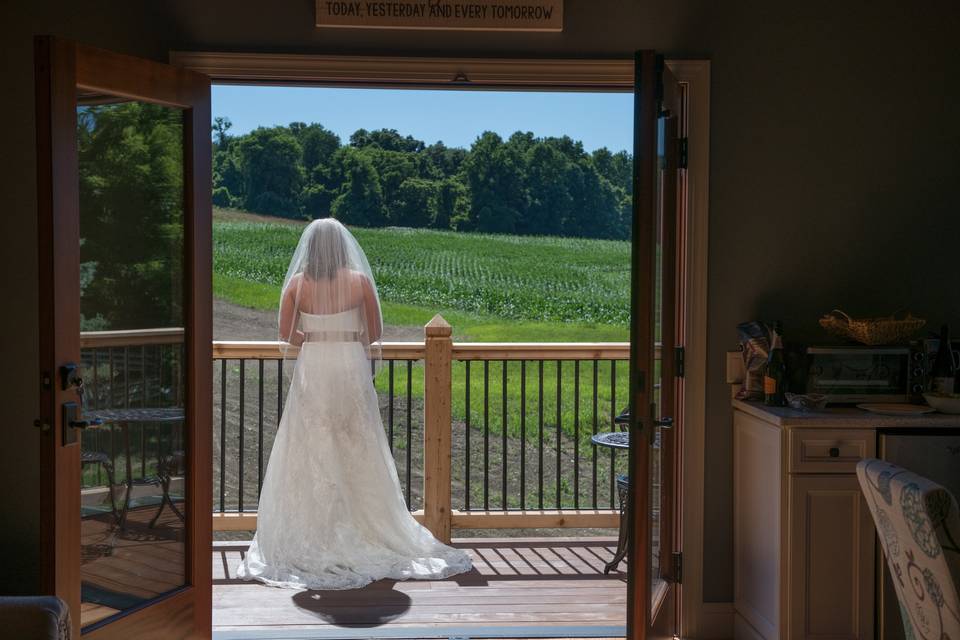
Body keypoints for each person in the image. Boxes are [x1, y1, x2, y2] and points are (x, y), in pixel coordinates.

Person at [236, 218, 472, 590]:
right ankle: (363, 525)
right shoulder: (359, 281)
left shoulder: (297, 284)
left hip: (315, 363)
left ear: (310, 249)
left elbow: (285, 333)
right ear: (343, 247)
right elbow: (375, 333)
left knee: (312, 443)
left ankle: (318, 529)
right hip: (348, 363)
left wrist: (316, 334)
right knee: (356, 443)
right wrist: (346, 335)